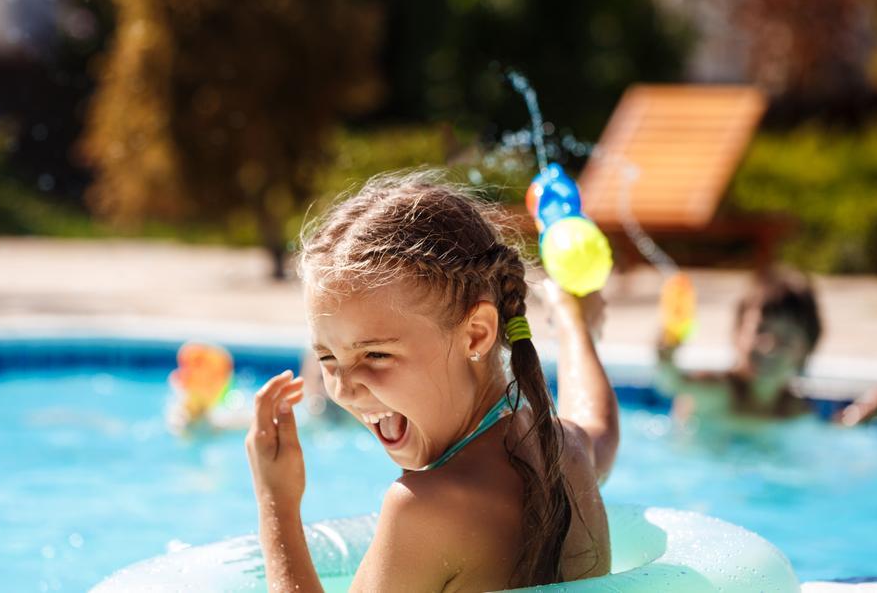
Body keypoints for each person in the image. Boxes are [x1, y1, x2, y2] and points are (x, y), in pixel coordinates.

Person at [244, 171, 620, 591]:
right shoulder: (563, 450)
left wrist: (276, 502)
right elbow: (599, 429)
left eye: (375, 354)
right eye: (328, 358)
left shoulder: (423, 510)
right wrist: (573, 323)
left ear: (476, 333)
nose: (343, 388)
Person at [656, 267, 877, 426]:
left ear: (806, 352)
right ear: (737, 332)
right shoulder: (718, 390)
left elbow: (841, 429)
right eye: (760, 331)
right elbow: (670, 381)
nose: (769, 346)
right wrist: (666, 350)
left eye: (786, 339)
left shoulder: (793, 408)